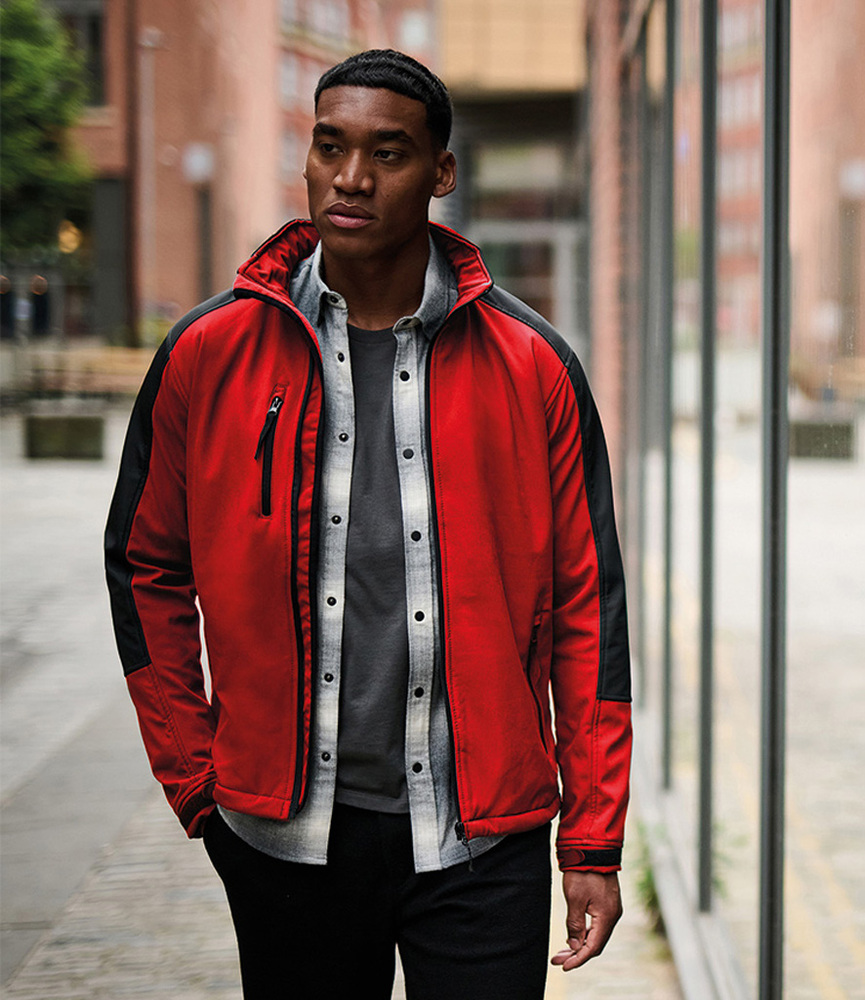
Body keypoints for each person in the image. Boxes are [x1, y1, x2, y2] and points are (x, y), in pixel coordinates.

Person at [105, 48, 631, 1000]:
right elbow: (146, 566)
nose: (350, 178)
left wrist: (591, 840)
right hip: (286, 844)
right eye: (329, 146)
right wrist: (197, 777)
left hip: (482, 843)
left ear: (440, 172)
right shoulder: (206, 353)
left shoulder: (534, 365)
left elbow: (588, 607)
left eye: (387, 153)